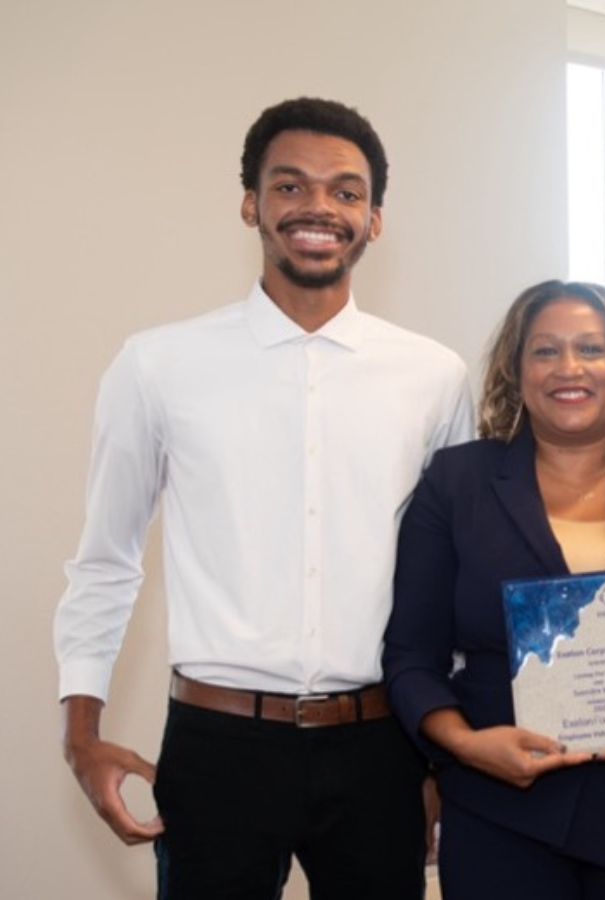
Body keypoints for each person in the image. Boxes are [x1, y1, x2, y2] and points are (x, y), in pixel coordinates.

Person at [53, 97, 475, 898]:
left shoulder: (434, 375)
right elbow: (105, 562)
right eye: (291, 187)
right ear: (252, 203)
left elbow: (446, 581)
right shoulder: (158, 365)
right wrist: (83, 735)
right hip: (219, 748)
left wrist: (439, 755)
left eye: (346, 192)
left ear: (375, 219)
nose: (319, 207)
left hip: (381, 747)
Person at [383, 279, 605, 900]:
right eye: (546, 351)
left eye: (591, 349)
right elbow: (411, 657)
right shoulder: (457, 482)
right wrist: (467, 745)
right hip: (502, 811)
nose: (568, 368)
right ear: (516, 369)